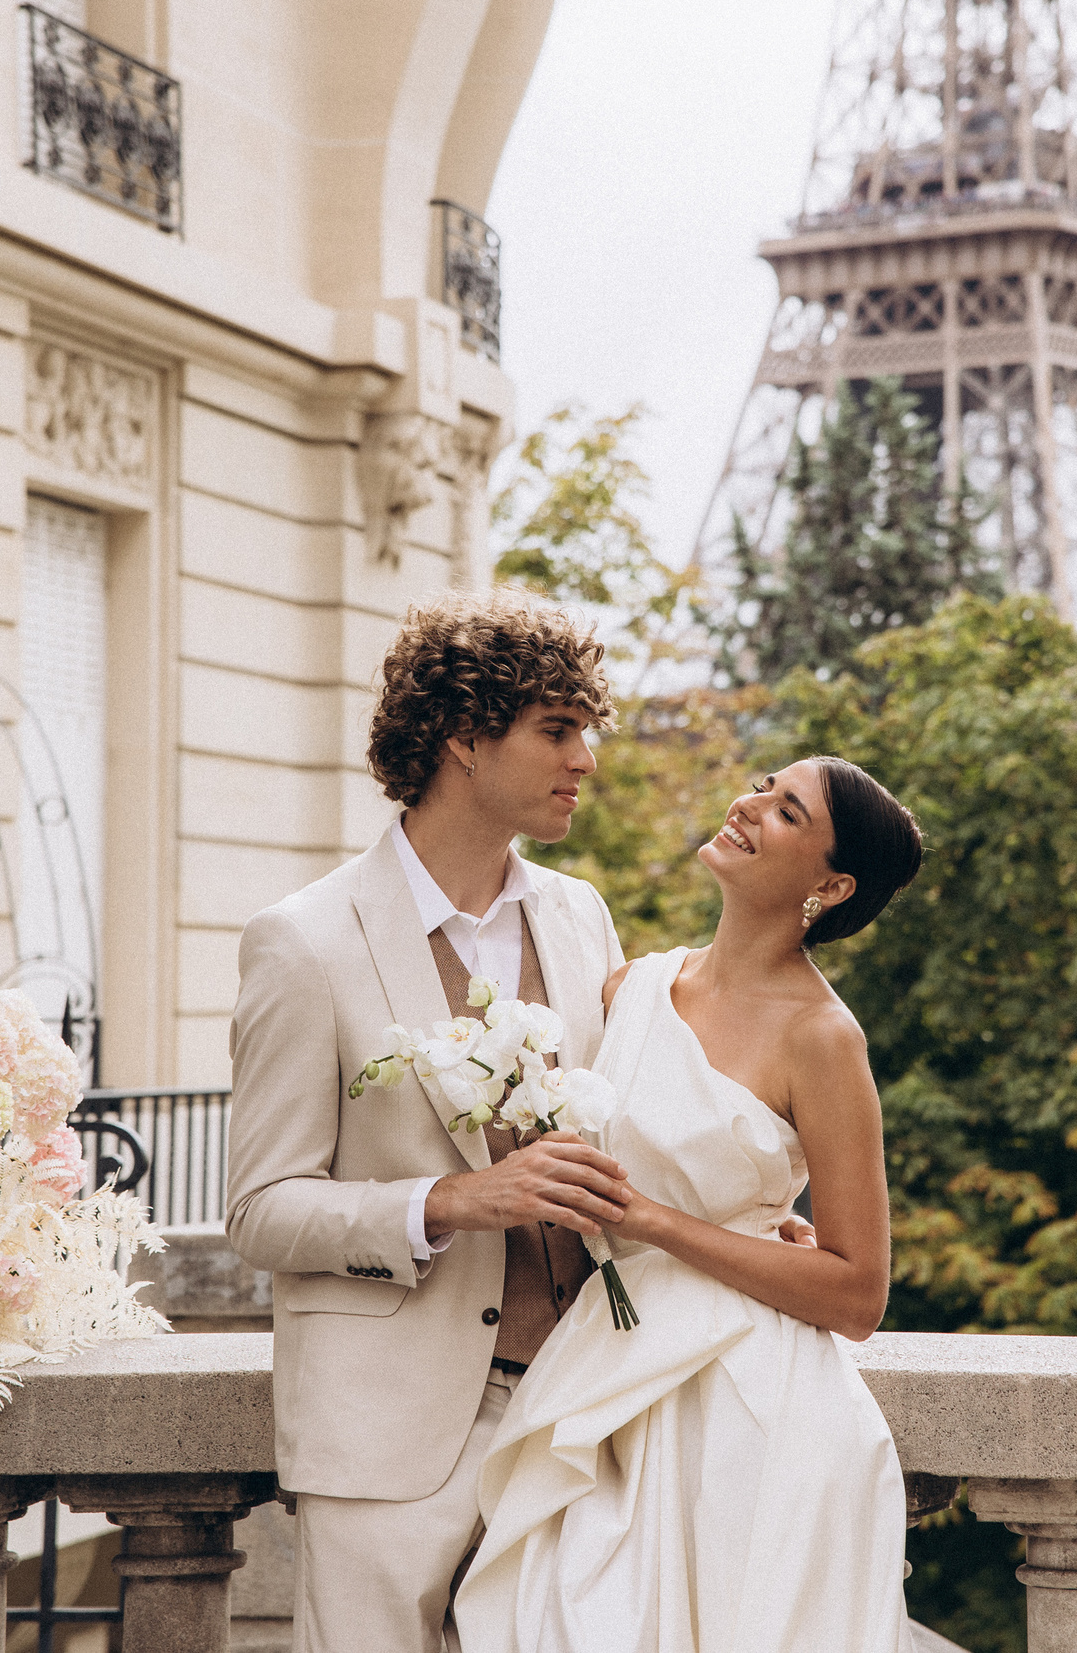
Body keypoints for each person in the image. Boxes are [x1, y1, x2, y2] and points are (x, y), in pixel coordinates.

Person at [225, 589, 639, 1653]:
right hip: (383, 1429)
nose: (585, 758)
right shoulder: (304, 941)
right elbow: (263, 1212)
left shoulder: (578, 915)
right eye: (556, 729)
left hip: (584, 1409)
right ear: (463, 737)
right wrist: (450, 1200)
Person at [455, 755, 928, 1653]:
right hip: (605, 1366)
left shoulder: (824, 1038)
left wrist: (658, 1223)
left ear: (831, 883)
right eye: (762, 785)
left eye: (788, 811)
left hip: (751, 1410)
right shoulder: (627, 989)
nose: (749, 805)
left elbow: (859, 1292)